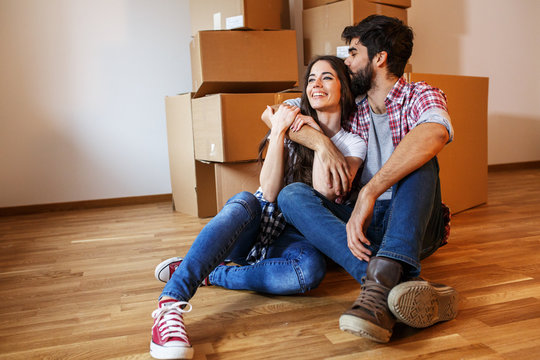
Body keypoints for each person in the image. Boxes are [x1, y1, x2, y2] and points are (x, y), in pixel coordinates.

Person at [149, 55, 366, 360]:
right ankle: (171, 303)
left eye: (327, 77)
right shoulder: (290, 123)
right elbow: (272, 189)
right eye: (312, 79)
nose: (317, 84)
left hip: (297, 235)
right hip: (259, 219)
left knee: (309, 271)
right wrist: (279, 131)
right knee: (244, 202)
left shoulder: (353, 144)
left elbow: (323, 192)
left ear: (344, 87)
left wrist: (320, 141)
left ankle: (213, 273)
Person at [273, 15, 458, 343]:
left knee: (420, 160)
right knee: (291, 196)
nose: (348, 61)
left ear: (379, 58)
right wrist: (322, 144)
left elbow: (435, 133)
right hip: (363, 228)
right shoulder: (352, 104)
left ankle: (377, 289)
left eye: (354, 53)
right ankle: (388, 284)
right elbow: (282, 111)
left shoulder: (420, 94)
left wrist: (369, 192)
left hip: (413, 221)